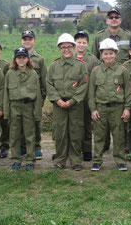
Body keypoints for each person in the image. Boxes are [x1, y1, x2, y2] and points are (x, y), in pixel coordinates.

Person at [88, 38, 131, 172]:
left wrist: (127, 108)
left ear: (116, 53)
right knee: (100, 136)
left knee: (119, 136)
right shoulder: (95, 71)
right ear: (101, 54)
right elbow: (91, 92)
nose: (108, 56)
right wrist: (93, 109)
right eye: (105, 53)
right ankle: (97, 161)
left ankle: (120, 161)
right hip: (101, 108)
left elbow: (128, 91)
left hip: (117, 108)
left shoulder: (122, 70)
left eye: (111, 53)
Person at [46, 33, 88, 170]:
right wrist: (57, 100)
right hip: (59, 105)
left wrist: (73, 101)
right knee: (60, 133)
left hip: (75, 105)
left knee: (75, 132)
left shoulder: (81, 66)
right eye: (63, 47)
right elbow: (49, 84)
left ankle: (76, 160)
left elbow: (83, 85)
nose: (66, 49)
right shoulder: (53, 66)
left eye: (69, 46)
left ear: (74, 47)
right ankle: (60, 160)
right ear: (59, 49)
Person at [4, 47, 42, 170]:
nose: (21, 60)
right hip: (14, 106)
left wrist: (37, 112)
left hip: (28, 107)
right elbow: (6, 93)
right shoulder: (10, 73)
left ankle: (30, 160)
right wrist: (6, 111)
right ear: (15, 59)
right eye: (18, 57)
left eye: (23, 57)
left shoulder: (33, 73)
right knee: (14, 135)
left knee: (30, 135)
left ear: (28, 59)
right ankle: (16, 159)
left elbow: (37, 94)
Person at [21, 30, 47, 160]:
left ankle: (37, 147)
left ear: (34, 40)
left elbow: (44, 80)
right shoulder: (17, 57)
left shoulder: (40, 59)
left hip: (35, 97)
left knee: (36, 122)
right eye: (25, 39)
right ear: (22, 41)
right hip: (21, 97)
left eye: (29, 39)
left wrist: (42, 97)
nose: (27, 41)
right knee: (20, 122)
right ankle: (22, 146)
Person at [74, 31, 100, 162]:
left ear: (87, 43)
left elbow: (96, 78)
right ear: (75, 43)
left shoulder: (93, 59)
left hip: (87, 97)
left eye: (84, 42)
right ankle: (74, 149)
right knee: (74, 125)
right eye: (79, 42)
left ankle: (87, 150)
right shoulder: (70, 56)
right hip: (73, 97)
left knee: (87, 125)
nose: (81, 45)